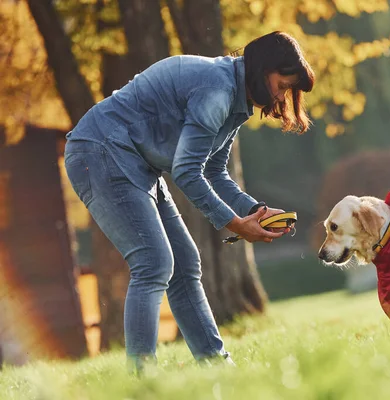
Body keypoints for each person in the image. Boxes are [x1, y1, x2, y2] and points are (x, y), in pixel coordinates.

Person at [63, 31, 315, 372]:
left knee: (184, 265)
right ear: (262, 69)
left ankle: (216, 367)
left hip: (138, 161)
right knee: (154, 263)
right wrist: (234, 224)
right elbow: (186, 172)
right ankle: (142, 378)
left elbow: (214, 171)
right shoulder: (218, 90)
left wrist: (254, 211)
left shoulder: (235, 99)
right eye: (282, 84)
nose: (282, 96)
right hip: (100, 151)